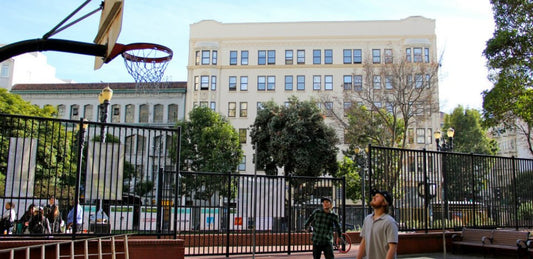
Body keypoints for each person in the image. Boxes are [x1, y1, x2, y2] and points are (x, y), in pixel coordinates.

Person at [357, 190, 398, 259]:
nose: (374, 198)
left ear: (384, 203)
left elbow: (392, 248)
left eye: (377, 196)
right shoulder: (367, 219)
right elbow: (363, 242)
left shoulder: (389, 222)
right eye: (374, 196)